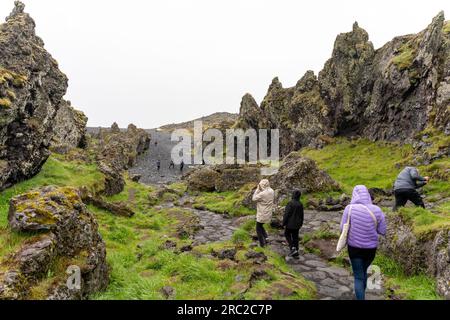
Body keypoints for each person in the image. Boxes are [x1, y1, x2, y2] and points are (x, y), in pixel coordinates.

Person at [340, 185, 386, 300]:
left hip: (354, 248)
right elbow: (382, 230)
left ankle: (361, 297)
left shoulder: (349, 208)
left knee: (358, 277)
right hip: (371, 249)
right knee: (364, 271)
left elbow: (342, 228)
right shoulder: (377, 210)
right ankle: (362, 294)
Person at [252, 179, 275, 247]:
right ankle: (266, 238)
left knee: (258, 228)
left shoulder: (262, 194)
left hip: (262, 213)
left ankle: (262, 244)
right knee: (260, 225)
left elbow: (253, 199)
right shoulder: (272, 191)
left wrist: (257, 189)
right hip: (268, 213)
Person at [282, 190, 304, 259]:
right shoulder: (300, 204)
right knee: (295, 237)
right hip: (297, 224)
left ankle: (292, 247)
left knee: (287, 234)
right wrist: (301, 223)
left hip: (289, 224)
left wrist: (283, 222)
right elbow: (302, 215)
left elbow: (287, 214)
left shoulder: (290, 203)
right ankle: (296, 252)